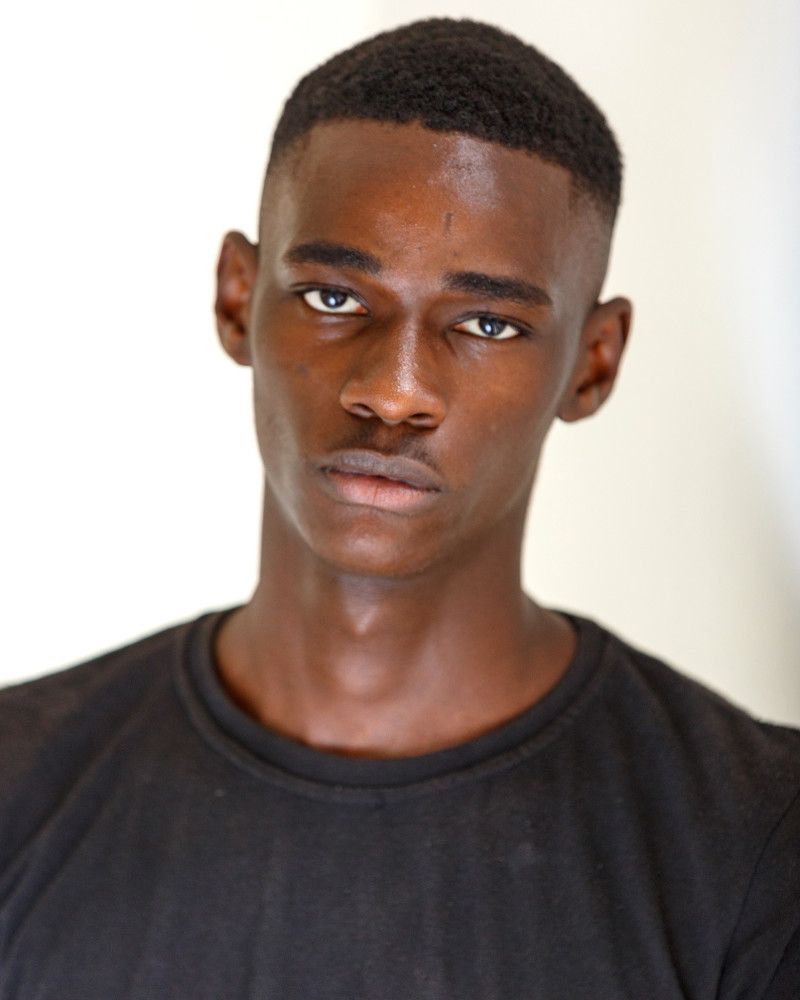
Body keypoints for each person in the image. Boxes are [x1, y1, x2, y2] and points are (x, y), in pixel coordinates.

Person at [1, 17, 797, 999]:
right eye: (334, 298)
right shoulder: (17, 784)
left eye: (487, 322)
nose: (394, 390)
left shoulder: (762, 842)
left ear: (591, 365)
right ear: (237, 298)